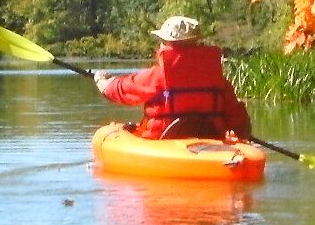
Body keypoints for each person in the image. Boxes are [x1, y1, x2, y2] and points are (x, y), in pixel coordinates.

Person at [94, 16, 252, 141]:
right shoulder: (216, 78)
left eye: (162, 42)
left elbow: (122, 89)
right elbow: (237, 116)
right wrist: (242, 134)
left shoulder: (159, 75)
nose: (160, 45)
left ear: (168, 44)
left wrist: (103, 81)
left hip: (163, 142)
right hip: (212, 139)